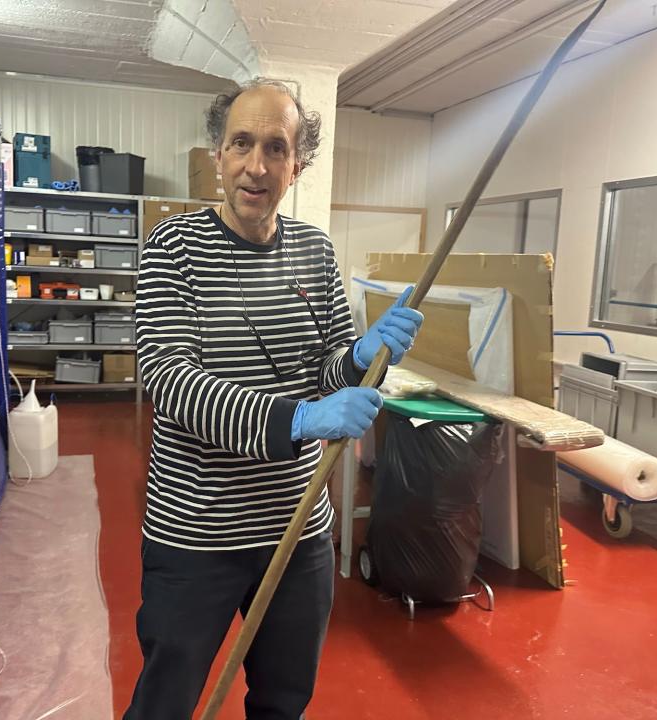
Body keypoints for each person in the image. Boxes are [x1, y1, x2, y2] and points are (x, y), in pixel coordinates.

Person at [125, 78, 424, 720]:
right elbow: (171, 383)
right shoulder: (172, 249)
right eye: (240, 144)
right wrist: (301, 419)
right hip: (196, 532)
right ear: (217, 154)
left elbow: (329, 373)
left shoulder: (315, 251)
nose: (255, 166)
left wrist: (362, 356)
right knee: (165, 704)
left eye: (275, 148)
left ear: (298, 164)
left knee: (284, 701)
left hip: (296, 530)